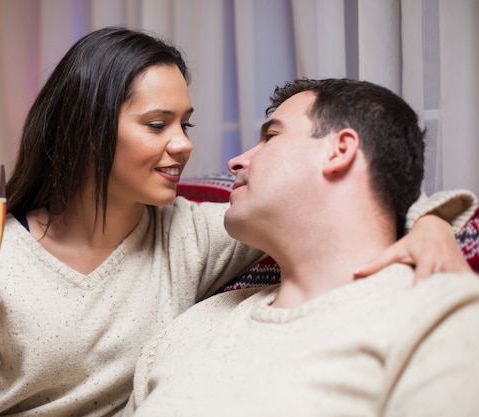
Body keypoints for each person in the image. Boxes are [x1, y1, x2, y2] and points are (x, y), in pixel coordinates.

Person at [0, 28, 472, 417]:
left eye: (187, 124)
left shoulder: (196, 232)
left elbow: (345, 205)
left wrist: (430, 227)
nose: (182, 145)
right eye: (157, 125)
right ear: (88, 128)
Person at [122, 78, 479, 417]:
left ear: (340, 151)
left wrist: (431, 220)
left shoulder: (440, 314)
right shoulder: (188, 329)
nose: (236, 162)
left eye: (270, 137)